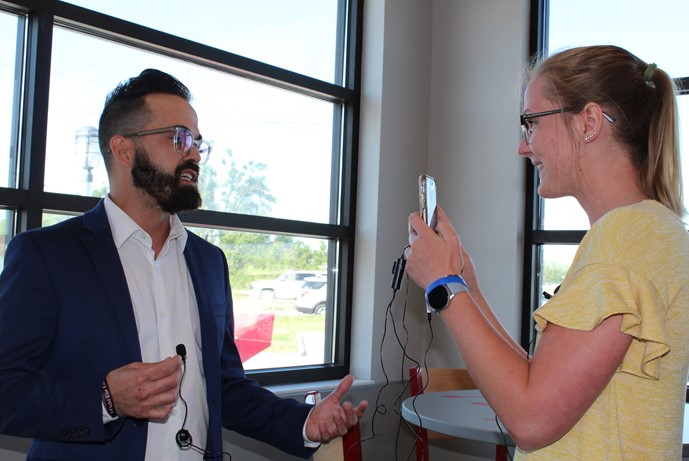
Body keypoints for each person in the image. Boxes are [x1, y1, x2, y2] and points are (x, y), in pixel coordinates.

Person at [0, 69, 366, 461]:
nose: (193, 154)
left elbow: (224, 386)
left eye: (197, 142)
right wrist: (106, 399)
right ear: (123, 150)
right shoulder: (46, 255)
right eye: (179, 137)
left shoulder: (209, 263)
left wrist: (303, 422)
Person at [405, 45, 689, 460]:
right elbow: (543, 386)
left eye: (531, 123)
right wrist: (468, 287)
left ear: (588, 122)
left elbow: (531, 420)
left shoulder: (624, 238)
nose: (524, 147)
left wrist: (443, 287)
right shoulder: (652, 232)